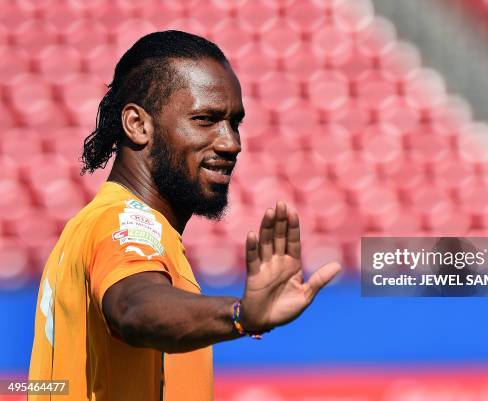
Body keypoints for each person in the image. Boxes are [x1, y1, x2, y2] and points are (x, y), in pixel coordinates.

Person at [28, 30, 341, 401]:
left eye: (234, 122)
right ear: (138, 125)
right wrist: (240, 315)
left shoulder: (132, 229)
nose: (231, 143)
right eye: (205, 119)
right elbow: (133, 307)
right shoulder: (122, 222)